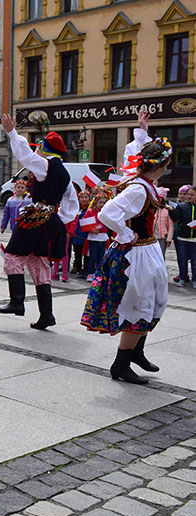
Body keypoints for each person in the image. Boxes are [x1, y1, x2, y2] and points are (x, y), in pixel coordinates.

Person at [81, 137, 173, 384]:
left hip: (146, 249)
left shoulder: (143, 181)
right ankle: (120, 364)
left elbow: (134, 153)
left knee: (153, 300)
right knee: (138, 305)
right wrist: (124, 233)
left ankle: (136, 352)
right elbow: (107, 213)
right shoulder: (138, 188)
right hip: (135, 255)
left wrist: (142, 134)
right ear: (160, 167)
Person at [0, 114, 78, 329]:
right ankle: (46, 315)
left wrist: (12, 132)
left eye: (39, 147)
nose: (36, 150)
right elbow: (71, 202)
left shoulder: (45, 164)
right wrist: (59, 218)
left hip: (36, 218)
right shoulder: (65, 173)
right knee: (39, 263)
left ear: (45, 148)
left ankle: (17, 301)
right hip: (52, 220)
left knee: (13, 257)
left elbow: (25, 156)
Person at [168, 185, 196, 288]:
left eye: (192, 195)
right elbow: (176, 218)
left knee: (195, 261)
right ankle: (182, 278)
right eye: (188, 194)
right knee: (182, 260)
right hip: (182, 238)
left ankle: (195, 280)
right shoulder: (182, 206)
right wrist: (171, 210)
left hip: (195, 239)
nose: (189, 196)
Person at [84, 195, 110, 282]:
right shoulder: (90, 211)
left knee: (101, 256)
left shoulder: (106, 212)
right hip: (93, 237)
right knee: (93, 256)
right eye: (100, 202)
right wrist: (91, 229)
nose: (102, 204)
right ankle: (90, 273)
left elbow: (109, 223)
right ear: (96, 202)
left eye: (104, 202)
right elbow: (85, 223)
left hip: (102, 236)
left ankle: (99, 273)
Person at [173, 185, 193, 284]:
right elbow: (175, 218)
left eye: (184, 194)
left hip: (193, 237)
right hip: (181, 236)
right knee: (182, 258)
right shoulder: (180, 206)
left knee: (193, 259)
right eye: (180, 194)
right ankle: (182, 276)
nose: (183, 196)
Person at [69, 190, 91, 278]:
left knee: (86, 254)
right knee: (77, 253)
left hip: (87, 235)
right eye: (82, 197)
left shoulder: (90, 208)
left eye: (86, 197)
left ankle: (86, 270)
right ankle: (78, 269)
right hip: (77, 234)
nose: (84, 199)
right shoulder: (76, 208)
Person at [154, 187, 174, 258]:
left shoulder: (166, 210)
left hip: (162, 237)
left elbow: (171, 226)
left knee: (161, 255)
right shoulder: (152, 209)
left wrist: (169, 238)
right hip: (152, 236)